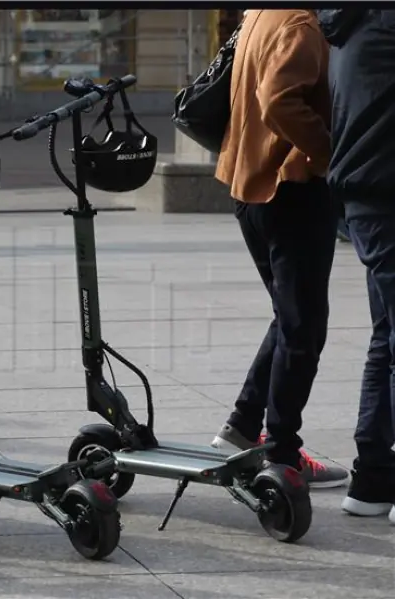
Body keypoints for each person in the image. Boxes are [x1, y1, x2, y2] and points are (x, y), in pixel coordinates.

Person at [211, 9, 349, 487]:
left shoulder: (260, 15)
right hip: (290, 188)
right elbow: (277, 100)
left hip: (247, 184)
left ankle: (244, 425)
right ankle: (283, 454)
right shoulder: (305, 27)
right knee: (304, 327)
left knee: (290, 317)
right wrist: (331, 153)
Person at [318, 9, 395, 522]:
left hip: (365, 195)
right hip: (387, 189)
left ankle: (371, 482)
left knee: (386, 336)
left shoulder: (349, 24)